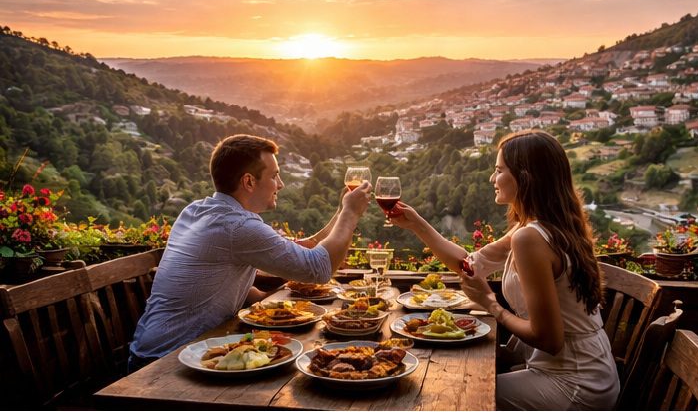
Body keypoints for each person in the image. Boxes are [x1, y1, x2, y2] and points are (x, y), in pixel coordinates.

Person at [390, 129, 619, 410]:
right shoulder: (538, 228)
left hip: (575, 383)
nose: (492, 179)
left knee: (454, 396)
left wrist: (491, 304)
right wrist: (417, 225)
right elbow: (470, 265)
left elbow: (549, 339)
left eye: (498, 170)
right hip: (586, 370)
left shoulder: (531, 237)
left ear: (525, 176)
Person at [128, 134, 371, 372]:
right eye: (275, 175)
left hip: (154, 350)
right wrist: (351, 215)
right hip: (164, 363)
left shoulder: (198, 210)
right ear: (249, 181)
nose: (281, 184)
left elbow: (298, 250)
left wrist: (341, 212)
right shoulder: (237, 227)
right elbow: (318, 268)